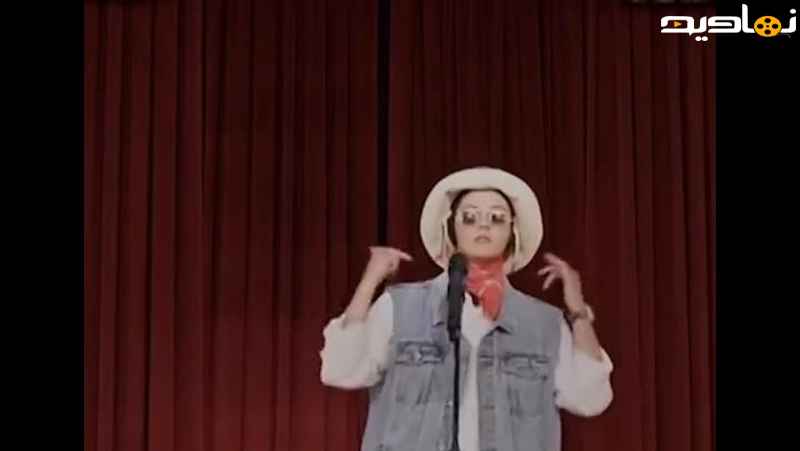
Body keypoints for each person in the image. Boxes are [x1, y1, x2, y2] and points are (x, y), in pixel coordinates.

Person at [319, 167, 613, 451]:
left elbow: (590, 399)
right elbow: (340, 370)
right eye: (470, 217)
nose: (483, 225)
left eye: (497, 218)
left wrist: (578, 311)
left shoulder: (543, 323)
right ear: (451, 228)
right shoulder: (401, 306)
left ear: (513, 232)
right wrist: (369, 281)